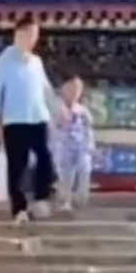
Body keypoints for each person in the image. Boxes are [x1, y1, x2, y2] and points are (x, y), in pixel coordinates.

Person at [0, 14, 59, 225]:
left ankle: (41, 197)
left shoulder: (36, 62)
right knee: (17, 166)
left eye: (36, 35)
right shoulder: (2, 63)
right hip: (15, 120)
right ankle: (19, 209)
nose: (33, 39)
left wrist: (58, 110)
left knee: (44, 157)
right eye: (30, 34)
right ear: (19, 33)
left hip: (38, 118)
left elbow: (46, 89)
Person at [54, 76, 95, 212]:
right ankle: (64, 200)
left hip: (81, 146)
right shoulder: (58, 109)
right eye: (71, 89)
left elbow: (89, 129)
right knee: (66, 175)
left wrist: (90, 145)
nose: (74, 93)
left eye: (77, 90)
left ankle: (80, 198)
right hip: (64, 146)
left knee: (84, 170)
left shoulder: (83, 111)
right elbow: (53, 127)